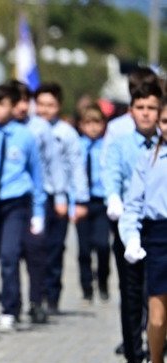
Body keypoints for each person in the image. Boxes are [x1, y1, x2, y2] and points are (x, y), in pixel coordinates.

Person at [103, 80, 163, 363]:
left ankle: (156, 354)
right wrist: (113, 198)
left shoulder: (162, 147)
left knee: (154, 295)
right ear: (131, 111)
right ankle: (132, 356)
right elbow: (111, 175)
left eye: (152, 108)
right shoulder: (121, 144)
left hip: (157, 226)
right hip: (126, 221)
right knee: (130, 289)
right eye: (140, 108)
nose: (146, 114)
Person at [0, 84, 45, 333]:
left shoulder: (25, 136)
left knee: (9, 255)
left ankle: (10, 308)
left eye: (2, 104)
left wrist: (39, 213)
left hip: (15, 202)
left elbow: (37, 176)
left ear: (13, 106)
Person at [119, 101, 167, 363]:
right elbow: (133, 205)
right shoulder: (149, 159)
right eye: (165, 120)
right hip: (159, 234)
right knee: (158, 317)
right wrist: (131, 238)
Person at [10, 80, 65, 324]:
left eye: (25, 100)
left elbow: (53, 164)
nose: (22, 106)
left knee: (36, 252)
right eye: (16, 101)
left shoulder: (39, 127)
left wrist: (61, 197)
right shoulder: (4, 127)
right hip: (12, 200)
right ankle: (12, 303)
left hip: (39, 198)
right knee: (11, 254)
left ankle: (37, 300)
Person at [34, 82, 87, 315]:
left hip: (59, 198)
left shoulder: (66, 134)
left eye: (51, 105)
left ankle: (52, 295)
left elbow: (76, 167)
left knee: (55, 248)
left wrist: (79, 201)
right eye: (41, 104)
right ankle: (36, 296)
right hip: (34, 198)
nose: (45, 110)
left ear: (59, 106)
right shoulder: (29, 129)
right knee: (36, 248)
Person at [74, 105, 111, 304]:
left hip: (101, 201)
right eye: (88, 123)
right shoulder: (78, 145)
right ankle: (87, 285)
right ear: (81, 125)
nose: (93, 128)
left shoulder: (107, 146)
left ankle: (104, 279)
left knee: (103, 245)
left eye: (97, 122)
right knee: (84, 249)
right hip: (82, 202)